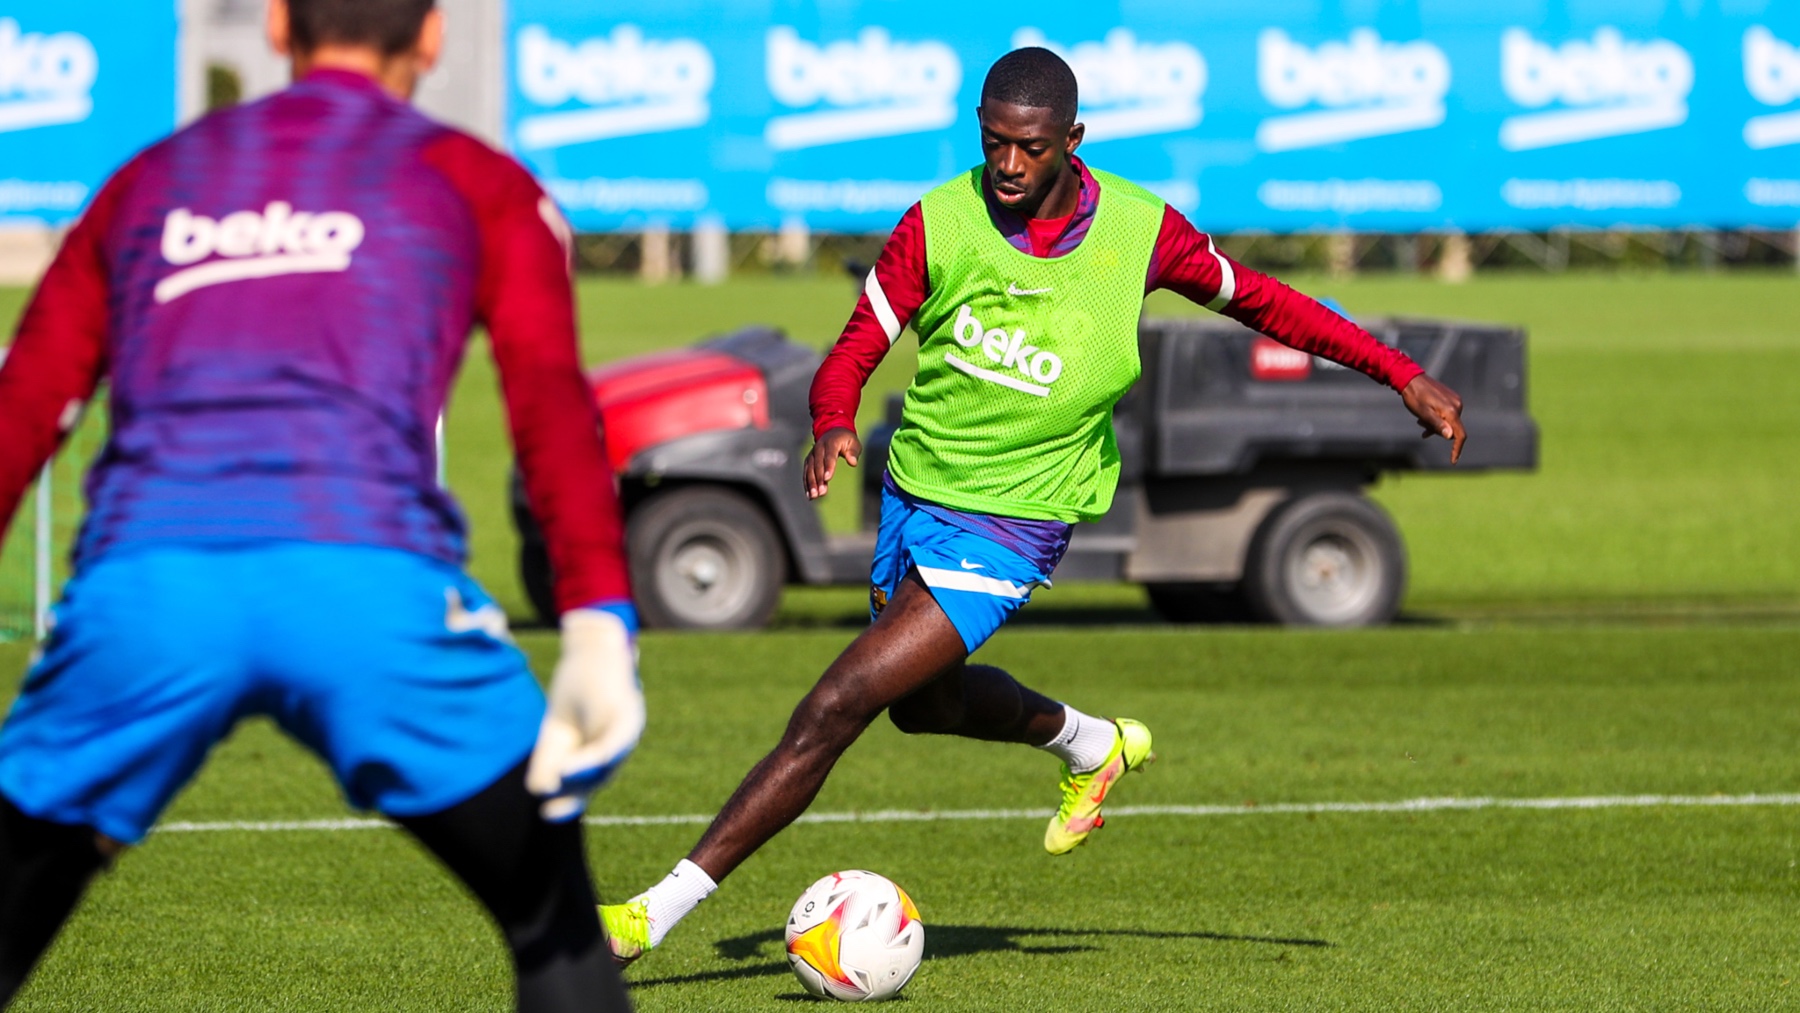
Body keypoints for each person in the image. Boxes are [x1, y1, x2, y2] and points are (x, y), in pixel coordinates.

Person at [596, 46, 1468, 968]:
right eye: (993, 144)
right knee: (921, 708)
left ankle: (650, 914)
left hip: (1017, 522)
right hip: (917, 495)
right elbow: (855, 346)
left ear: (1072, 141)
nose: (1008, 166)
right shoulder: (939, 222)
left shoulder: (1140, 233)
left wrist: (1400, 374)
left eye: (1031, 148)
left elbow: (1268, 302)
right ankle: (1091, 745)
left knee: (836, 704)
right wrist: (832, 418)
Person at [0, 1, 644, 1009]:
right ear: (432, 36)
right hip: (369, 593)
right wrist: (599, 618)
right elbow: (550, 406)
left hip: (145, 594)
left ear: (275, 25)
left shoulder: (146, 181)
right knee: (554, 924)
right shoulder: (477, 182)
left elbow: (25, 407)